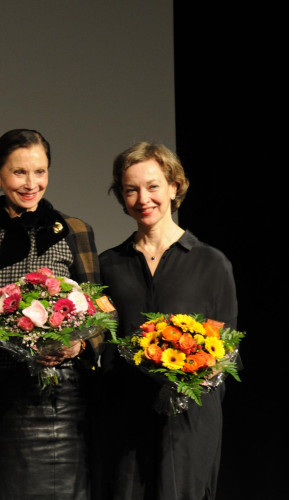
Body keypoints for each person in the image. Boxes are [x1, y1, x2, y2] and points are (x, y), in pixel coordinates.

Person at [0, 129, 102, 500]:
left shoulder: (74, 230)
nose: (31, 184)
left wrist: (77, 347)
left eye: (40, 172)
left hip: (59, 392)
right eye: (19, 173)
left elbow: (102, 315)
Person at [93, 142, 238, 500]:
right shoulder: (108, 264)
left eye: (153, 186)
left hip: (187, 424)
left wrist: (195, 374)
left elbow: (228, 350)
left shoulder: (210, 263)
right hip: (124, 419)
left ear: (174, 187)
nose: (143, 198)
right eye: (131, 189)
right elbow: (99, 339)